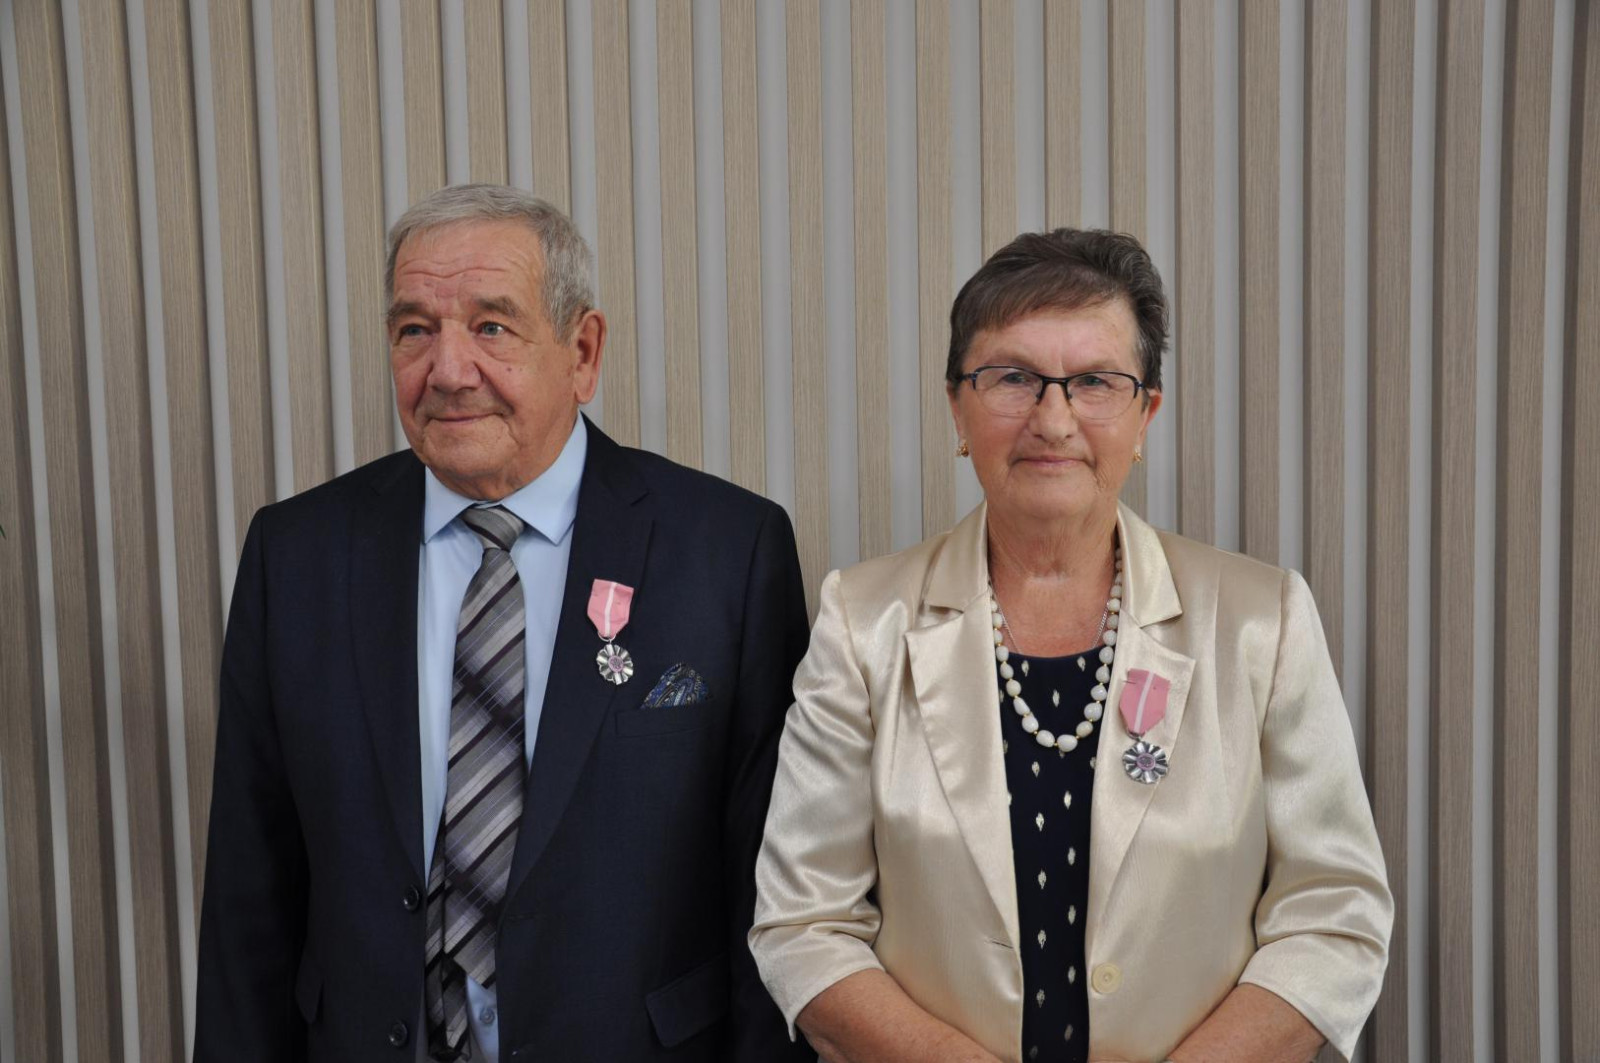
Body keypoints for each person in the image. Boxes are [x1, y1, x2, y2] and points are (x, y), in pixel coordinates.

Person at [196, 183, 813, 1062]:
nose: (448, 371)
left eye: (491, 326)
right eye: (415, 330)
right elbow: (247, 894)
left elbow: (774, 892)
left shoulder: (728, 552)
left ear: (582, 352)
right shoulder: (295, 556)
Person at [749, 229, 1392, 1063]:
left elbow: (1334, 912)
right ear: (957, 408)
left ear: (1145, 413)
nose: (1053, 420)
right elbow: (804, 922)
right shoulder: (863, 622)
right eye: (1012, 377)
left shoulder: (1261, 621)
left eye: (1094, 381)